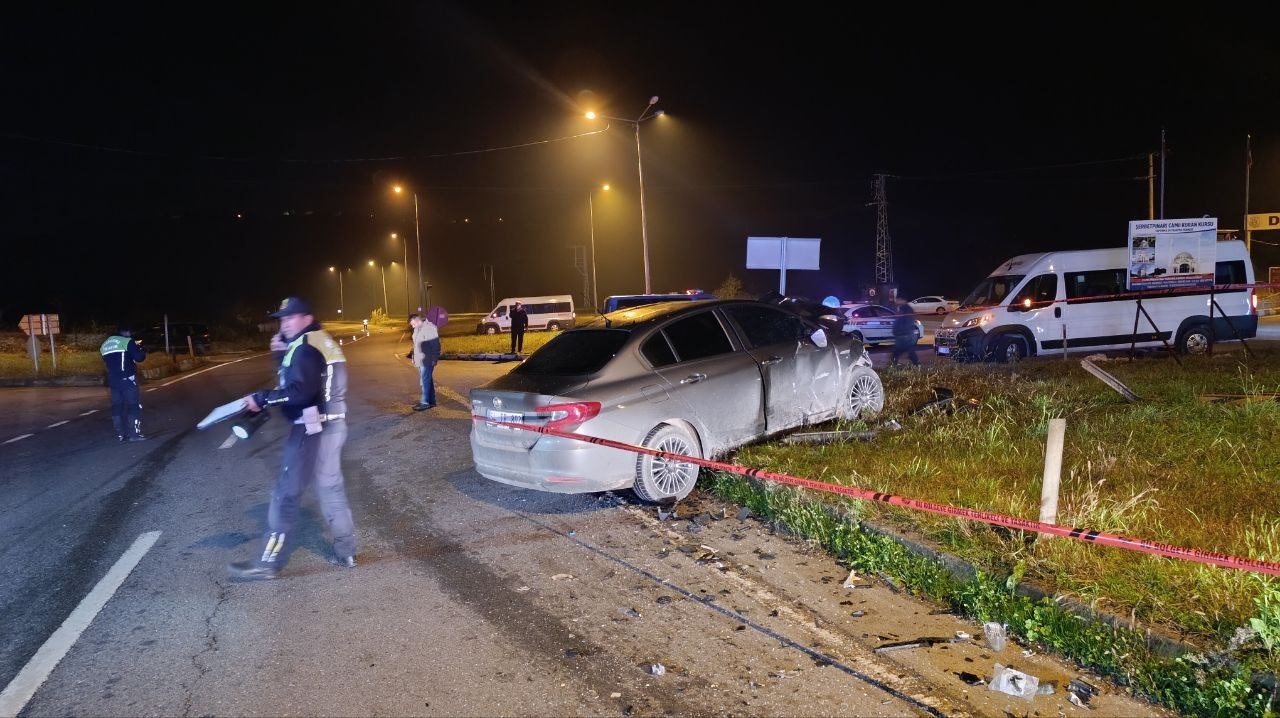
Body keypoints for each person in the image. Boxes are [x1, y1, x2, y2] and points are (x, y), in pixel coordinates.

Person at [227, 297, 358, 580]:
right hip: (333, 425)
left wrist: (261, 398)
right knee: (331, 490)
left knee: (284, 495)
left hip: (311, 429)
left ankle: (267, 562)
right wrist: (279, 356)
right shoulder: (320, 340)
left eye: (289, 317)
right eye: (281, 318)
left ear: (307, 318)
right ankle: (346, 552)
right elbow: (302, 380)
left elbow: (299, 391)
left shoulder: (305, 346)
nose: (283, 322)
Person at [100, 324, 147, 441]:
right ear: (126, 332)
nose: (130, 335)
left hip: (113, 381)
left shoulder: (104, 345)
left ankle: (121, 435)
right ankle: (134, 435)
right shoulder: (127, 341)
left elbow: (107, 361)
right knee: (133, 406)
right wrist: (141, 349)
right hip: (128, 380)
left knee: (117, 406)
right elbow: (139, 357)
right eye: (129, 333)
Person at [408, 313, 440, 411]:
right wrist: (413, 357)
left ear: (417, 320)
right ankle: (432, 401)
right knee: (428, 380)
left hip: (427, 360)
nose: (412, 326)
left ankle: (425, 402)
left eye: (413, 324)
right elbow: (415, 346)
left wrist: (434, 359)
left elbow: (436, 346)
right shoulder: (416, 330)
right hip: (419, 359)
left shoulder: (429, 328)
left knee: (424, 381)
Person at [890, 303, 921, 367]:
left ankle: (893, 365)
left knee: (897, 352)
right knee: (908, 351)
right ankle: (917, 364)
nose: (898, 310)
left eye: (899, 309)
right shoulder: (906, 317)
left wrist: (897, 333)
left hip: (903, 338)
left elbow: (900, 326)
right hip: (904, 337)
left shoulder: (903, 317)